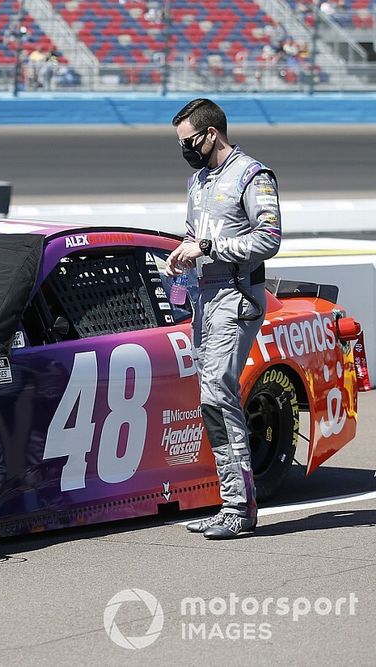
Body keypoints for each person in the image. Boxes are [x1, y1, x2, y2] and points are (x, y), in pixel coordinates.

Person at [165, 98, 282, 540]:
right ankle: (231, 502)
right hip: (205, 298)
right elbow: (196, 233)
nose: (185, 149)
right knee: (209, 397)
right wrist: (184, 251)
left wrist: (211, 249)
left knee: (217, 393)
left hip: (237, 296)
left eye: (189, 140)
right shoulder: (198, 180)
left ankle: (240, 505)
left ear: (211, 134)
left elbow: (269, 239)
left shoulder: (253, 175)